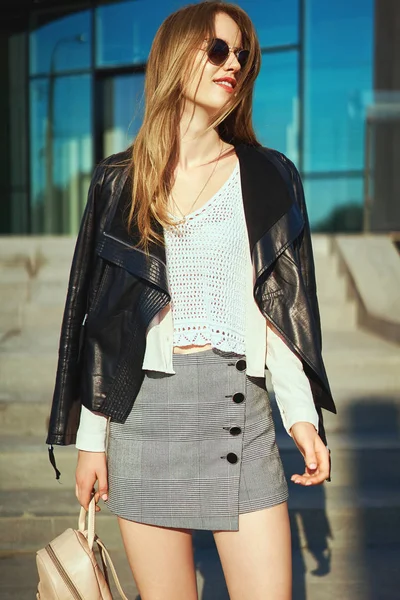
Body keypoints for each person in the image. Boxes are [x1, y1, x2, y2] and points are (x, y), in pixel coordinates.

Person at [46, 2, 336, 599]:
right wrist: (91, 443)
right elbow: (105, 324)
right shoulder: (120, 181)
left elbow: (279, 305)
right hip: (145, 418)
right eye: (218, 50)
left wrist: (301, 415)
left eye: (242, 55)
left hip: (241, 419)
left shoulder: (269, 175)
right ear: (178, 57)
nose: (234, 65)